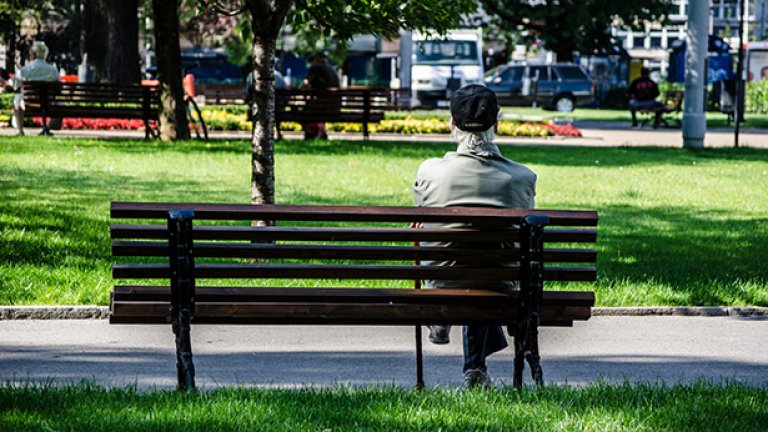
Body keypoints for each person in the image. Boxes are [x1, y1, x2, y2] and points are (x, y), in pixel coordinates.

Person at [413, 84, 537, 388]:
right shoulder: (523, 177)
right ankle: (475, 369)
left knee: (465, 258)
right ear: (497, 123)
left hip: (442, 280)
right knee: (487, 266)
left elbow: (420, 220)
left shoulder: (430, 171)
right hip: (500, 281)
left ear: (451, 125)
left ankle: (442, 318)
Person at [10, 41, 60, 136]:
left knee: (17, 99)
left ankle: (20, 130)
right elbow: (58, 89)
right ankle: (47, 128)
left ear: (33, 55)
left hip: (28, 103)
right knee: (61, 104)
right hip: (48, 103)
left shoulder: (26, 70)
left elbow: (15, 85)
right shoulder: (53, 70)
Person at [301, 51, 340, 139]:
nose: (311, 64)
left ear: (316, 60)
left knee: (300, 112)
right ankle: (319, 132)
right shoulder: (331, 69)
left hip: (324, 107)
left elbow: (305, 84)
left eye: (312, 61)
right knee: (311, 107)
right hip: (335, 107)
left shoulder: (316, 68)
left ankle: (311, 132)